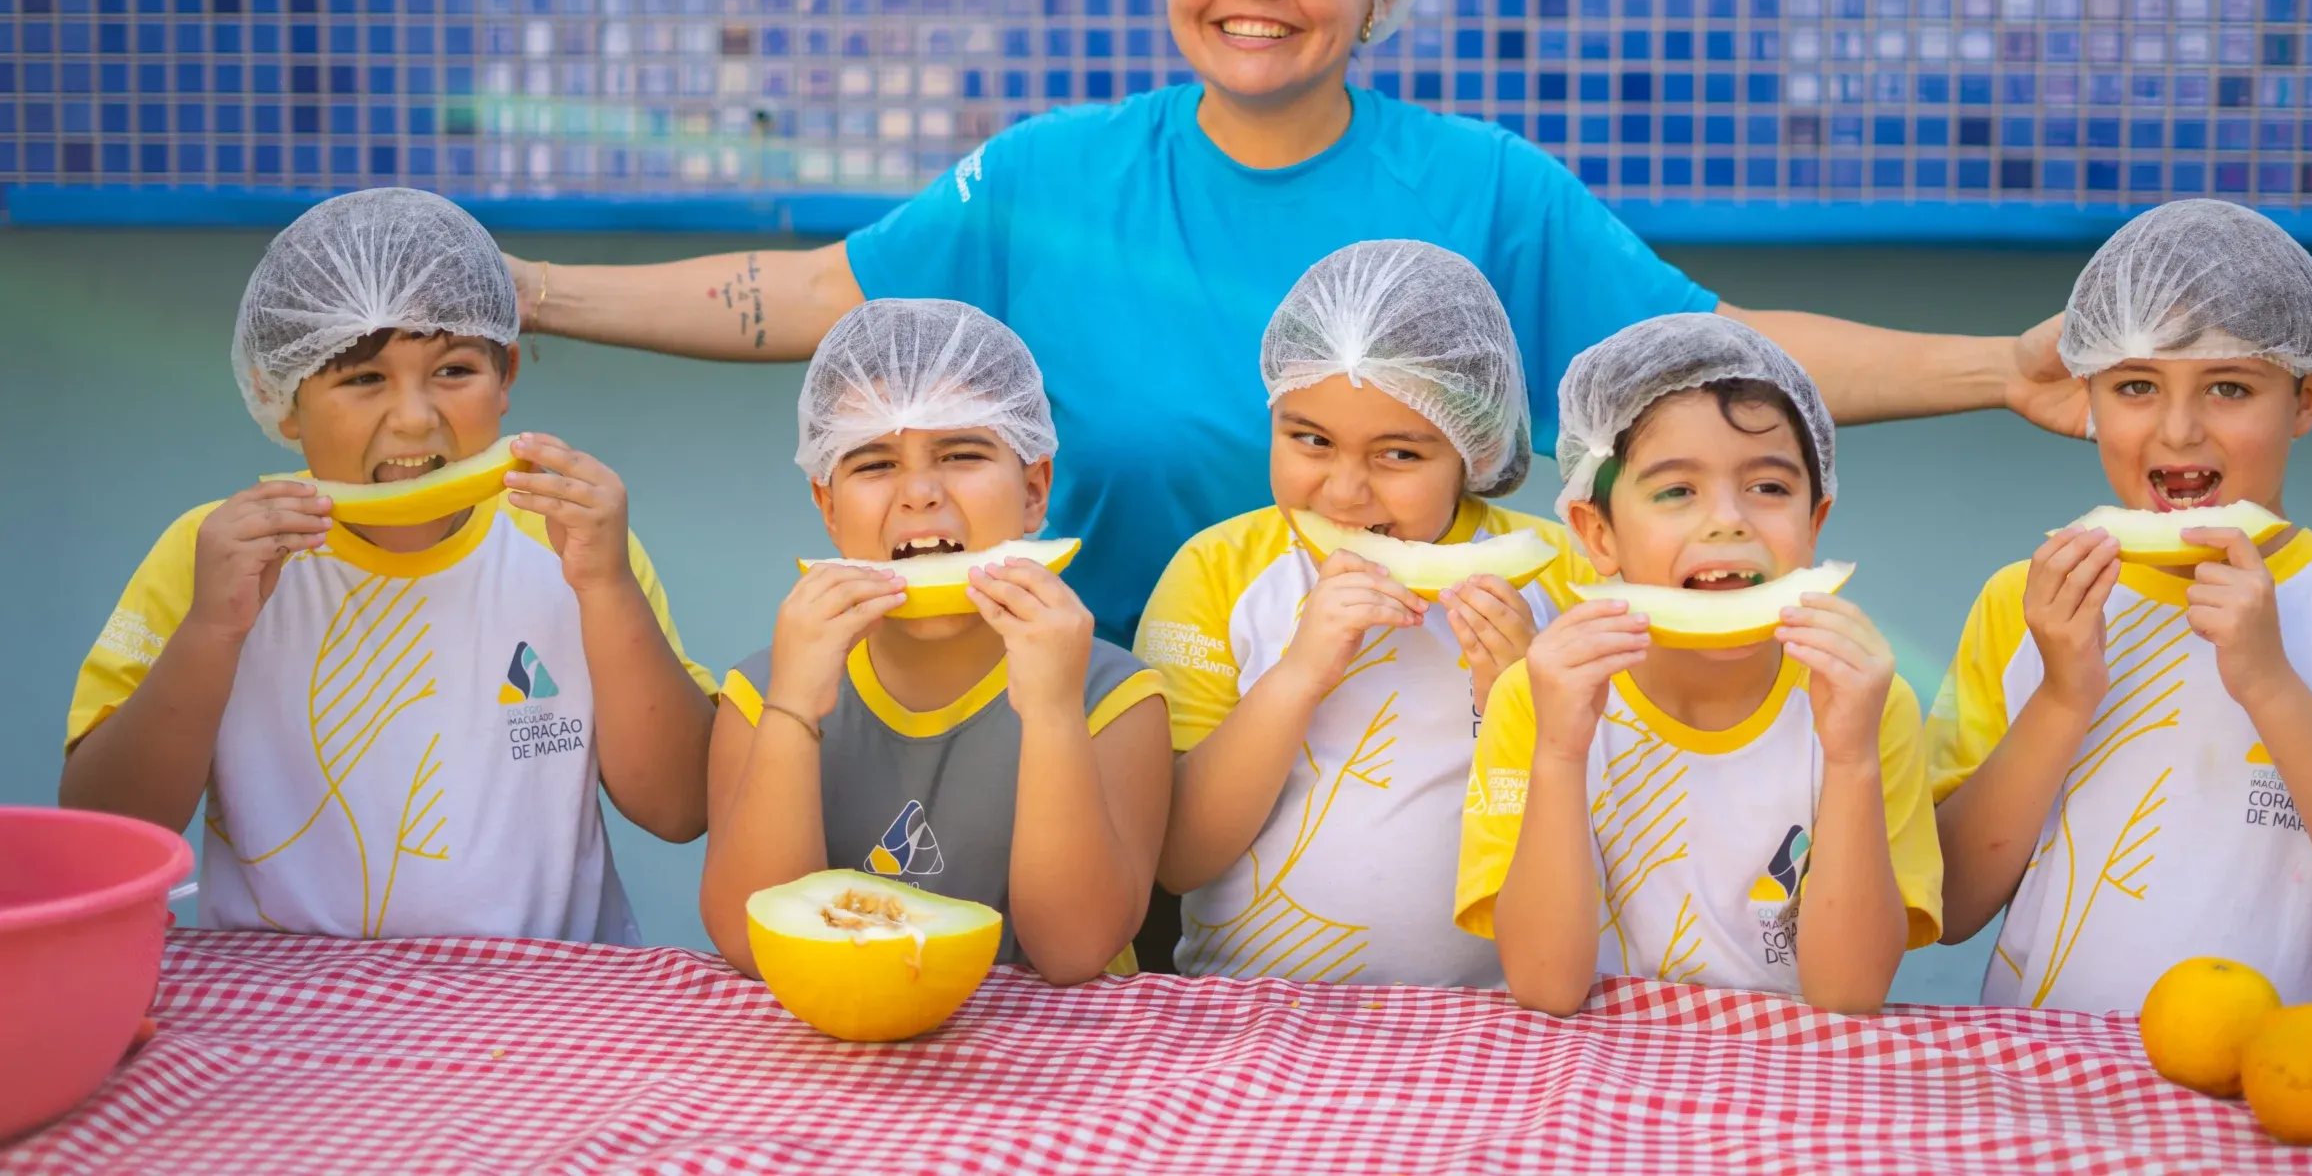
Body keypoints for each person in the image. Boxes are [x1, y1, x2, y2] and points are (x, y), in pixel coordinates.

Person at [497, 0, 2086, 641]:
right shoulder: (1053, 173)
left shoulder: (1481, 186)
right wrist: (527, 293)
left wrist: (1999, 370)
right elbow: (805, 296)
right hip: (1104, 726)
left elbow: (1720, 356)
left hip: (1419, 722)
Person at [60, 188, 714, 942]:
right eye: (363, 377)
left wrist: (607, 589)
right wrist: (212, 628)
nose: (414, 417)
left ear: (506, 375)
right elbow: (106, 828)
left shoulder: (570, 543)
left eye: (454, 370)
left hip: (546, 1007)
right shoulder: (211, 555)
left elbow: (680, 807)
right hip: (281, 1010)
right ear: (284, 400)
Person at [1929, 200, 2312, 1011]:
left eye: (2229, 386)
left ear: (2308, 397)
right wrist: (2062, 694)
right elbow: (1953, 905)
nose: (2179, 430)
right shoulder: (2028, 601)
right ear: (2089, 397)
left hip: (2282, 1091)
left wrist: (2272, 684)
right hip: (2043, 1086)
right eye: (2137, 385)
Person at [1460, 313, 1941, 1016]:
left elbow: (1850, 993)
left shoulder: (1867, 700)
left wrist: (1852, 759)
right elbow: (1545, 986)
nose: (1729, 520)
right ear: (1599, 532)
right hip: (1593, 1083)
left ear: (1815, 523)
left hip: (1787, 1085)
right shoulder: (1536, 696)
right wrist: (1561, 751)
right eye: (1676, 490)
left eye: (1769, 488)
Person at [1137, 240, 1583, 986]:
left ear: (1472, 449)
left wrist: (1522, 700)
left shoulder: (1565, 573)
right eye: (1310, 439)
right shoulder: (1215, 571)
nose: (1344, 493)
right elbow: (1177, 854)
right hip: (1246, 1017)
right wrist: (1298, 675)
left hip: (1502, 1022)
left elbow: (1625, 828)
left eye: (1398, 455)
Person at [700, 300, 1171, 985]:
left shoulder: (1116, 699)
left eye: (961, 453)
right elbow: (752, 943)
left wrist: (1052, 710)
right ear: (827, 507)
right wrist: (792, 708)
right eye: (874, 463)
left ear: (1035, 490)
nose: (920, 492)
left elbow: (1073, 950)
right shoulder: (758, 692)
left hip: (1057, 1071)